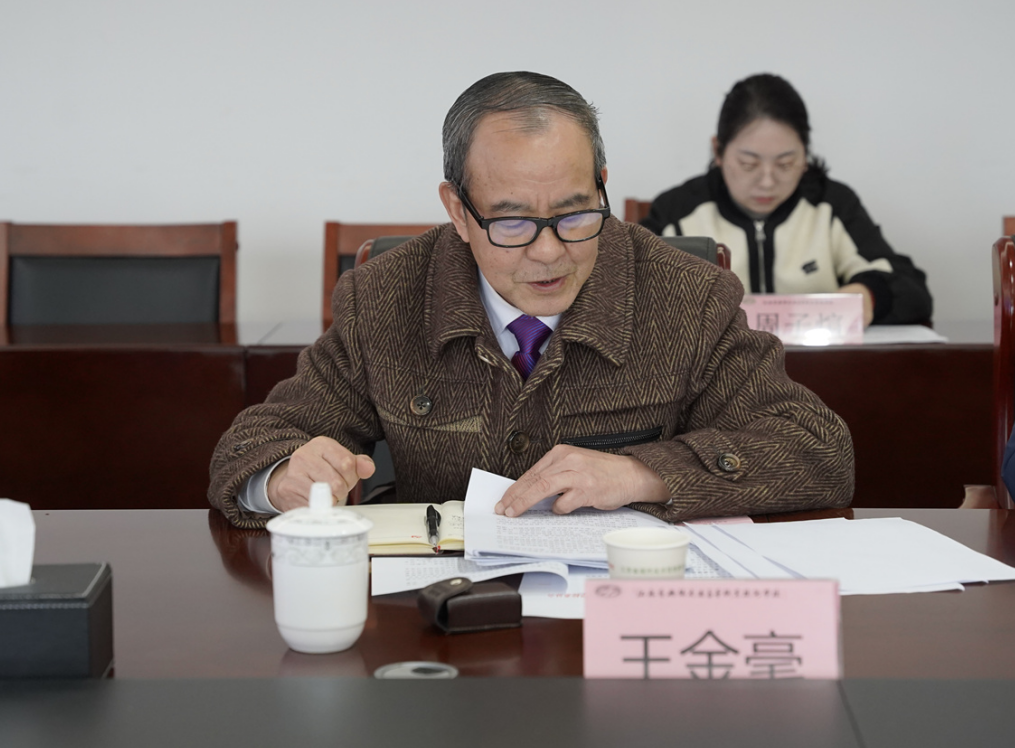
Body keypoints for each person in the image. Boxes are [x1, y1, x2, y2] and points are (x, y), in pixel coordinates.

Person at [209, 71, 853, 529]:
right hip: (440, 618)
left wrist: (642, 473)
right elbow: (249, 447)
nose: (548, 252)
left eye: (574, 213)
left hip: (615, 616)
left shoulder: (687, 296)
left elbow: (818, 449)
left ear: (601, 186)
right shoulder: (385, 296)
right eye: (511, 222)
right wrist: (283, 477)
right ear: (457, 211)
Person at [641, 74, 933, 327]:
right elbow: (625, 290)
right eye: (748, 164)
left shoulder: (831, 205)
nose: (767, 181)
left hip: (816, 369)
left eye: (786, 163)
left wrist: (869, 294)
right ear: (718, 151)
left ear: (805, 154)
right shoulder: (677, 212)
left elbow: (912, 290)